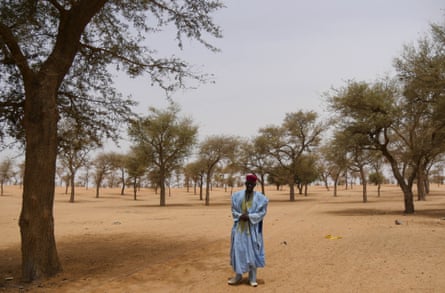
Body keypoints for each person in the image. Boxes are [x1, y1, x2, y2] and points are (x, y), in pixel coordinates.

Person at [228, 173, 269, 287]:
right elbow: (233, 210)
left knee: (253, 253)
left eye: (252, 184)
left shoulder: (261, 198)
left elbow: (262, 212)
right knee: (238, 251)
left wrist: (250, 217)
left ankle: (252, 278)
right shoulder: (236, 196)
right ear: (245, 183)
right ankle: (238, 276)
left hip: (253, 230)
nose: (250, 185)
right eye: (248, 183)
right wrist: (240, 216)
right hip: (239, 229)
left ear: (255, 184)